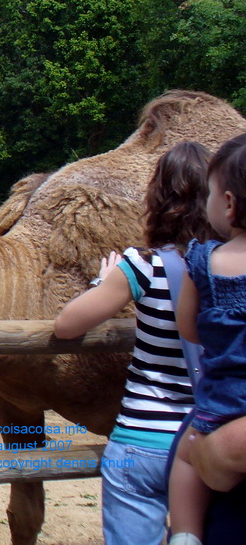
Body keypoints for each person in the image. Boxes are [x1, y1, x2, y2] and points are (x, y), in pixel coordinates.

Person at [54, 141, 216, 545]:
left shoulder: (143, 265)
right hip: (206, 442)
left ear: (157, 199)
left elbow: (67, 325)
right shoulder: (228, 269)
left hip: (142, 442)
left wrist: (105, 281)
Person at [168, 133, 246, 545]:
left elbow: (190, 329)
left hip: (222, 404)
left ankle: (184, 533)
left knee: (186, 456)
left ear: (229, 204)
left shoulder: (203, 258)